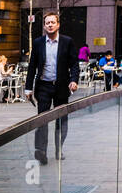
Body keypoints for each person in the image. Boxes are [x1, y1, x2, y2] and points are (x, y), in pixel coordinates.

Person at [25, 11, 81, 163]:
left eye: (52, 22)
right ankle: (41, 150)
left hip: (61, 87)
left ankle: (59, 148)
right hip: (43, 86)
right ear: (44, 26)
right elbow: (32, 67)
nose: (50, 25)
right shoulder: (38, 43)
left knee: (61, 120)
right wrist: (28, 88)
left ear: (58, 25)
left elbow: (74, 64)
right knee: (42, 119)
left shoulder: (67, 42)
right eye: (47, 23)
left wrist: (74, 80)